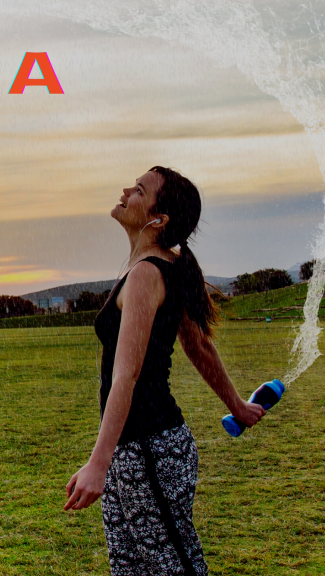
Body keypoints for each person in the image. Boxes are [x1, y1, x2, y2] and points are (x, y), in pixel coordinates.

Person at [63, 166, 267, 575]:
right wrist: (238, 406)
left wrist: (98, 464)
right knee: (129, 567)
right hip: (134, 449)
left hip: (151, 449)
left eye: (138, 190)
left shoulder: (146, 275)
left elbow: (127, 375)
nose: (126, 190)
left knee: (172, 566)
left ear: (158, 220)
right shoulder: (157, 267)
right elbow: (199, 346)